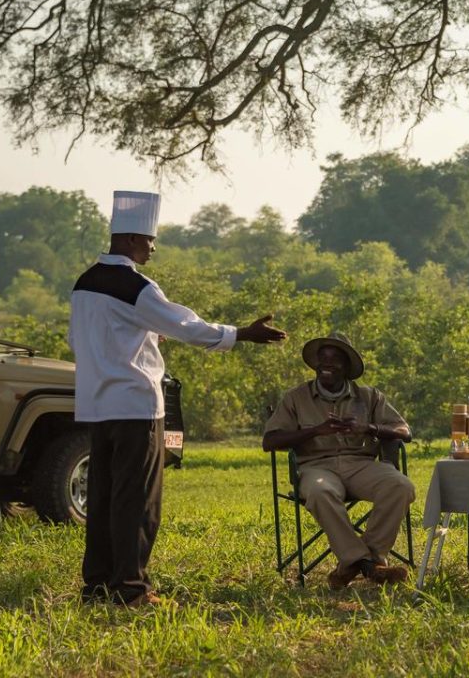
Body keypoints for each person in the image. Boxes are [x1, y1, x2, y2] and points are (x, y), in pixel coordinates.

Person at [69, 190, 287, 608]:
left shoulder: (85, 283)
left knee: (103, 498)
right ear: (132, 240)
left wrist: (144, 335)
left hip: (97, 405)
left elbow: (84, 338)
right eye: (150, 240)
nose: (153, 247)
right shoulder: (136, 285)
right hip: (135, 404)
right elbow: (189, 326)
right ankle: (132, 590)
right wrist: (241, 333)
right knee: (138, 500)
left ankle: (97, 586)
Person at [262, 332, 415, 589]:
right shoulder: (296, 397)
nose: (327, 364)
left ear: (347, 367)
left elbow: (404, 432)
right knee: (320, 491)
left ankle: (353, 565)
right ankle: (369, 566)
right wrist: (315, 431)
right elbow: (270, 441)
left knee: (401, 486)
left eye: (335, 359)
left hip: (361, 465)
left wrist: (369, 428)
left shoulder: (368, 396)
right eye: (323, 359)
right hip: (316, 467)